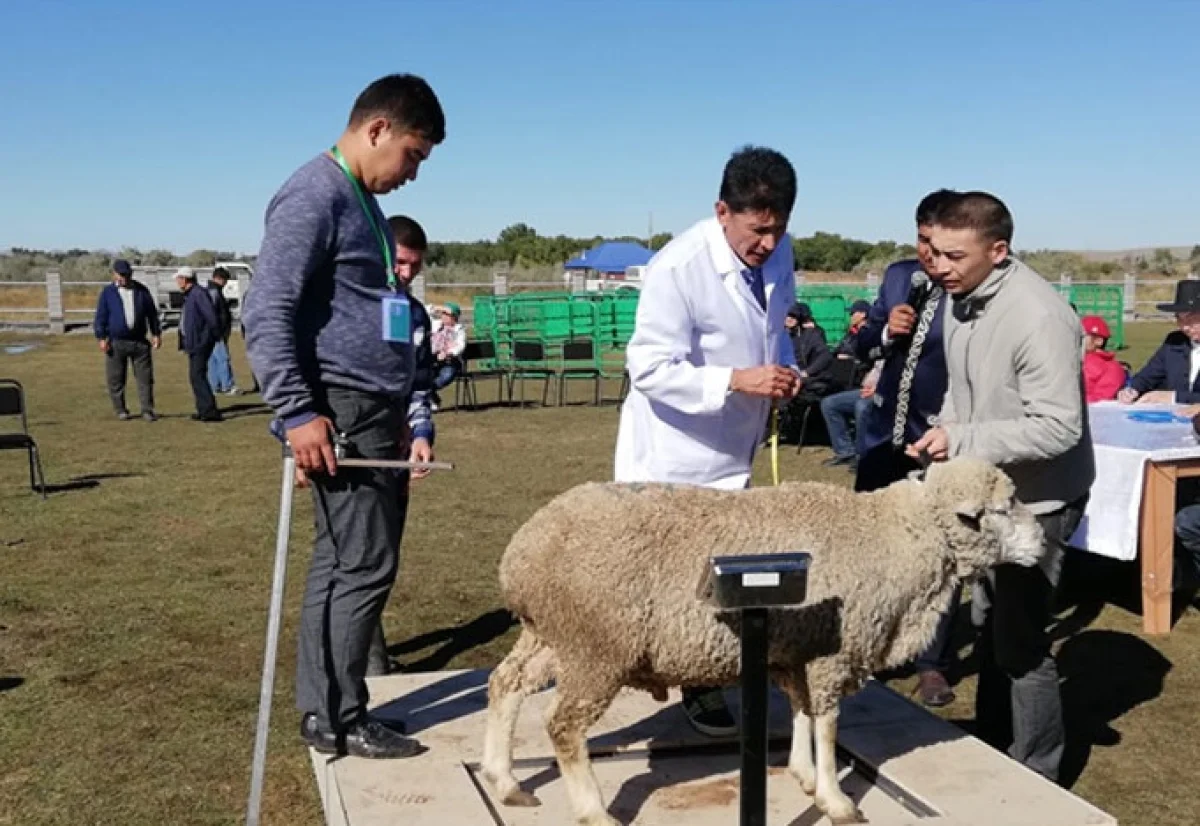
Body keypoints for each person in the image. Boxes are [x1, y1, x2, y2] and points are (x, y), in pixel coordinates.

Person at [243, 73, 445, 760]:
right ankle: (343, 714)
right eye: (413, 155)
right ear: (378, 130)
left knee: (340, 563)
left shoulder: (357, 202)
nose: (413, 174)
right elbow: (265, 310)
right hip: (346, 409)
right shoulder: (316, 193)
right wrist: (298, 413)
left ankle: (325, 710)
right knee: (364, 565)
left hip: (372, 408)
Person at [615, 145, 801, 737]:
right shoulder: (679, 266)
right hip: (675, 451)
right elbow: (647, 366)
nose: (768, 244)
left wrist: (785, 370)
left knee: (723, 575)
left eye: (778, 230)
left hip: (735, 446)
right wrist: (735, 380)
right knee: (674, 579)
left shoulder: (780, 254)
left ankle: (712, 671)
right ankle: (690, 685)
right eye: (757, 230)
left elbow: (777, 327)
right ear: (723, 211)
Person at [909, 192, 1094, 782]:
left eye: (955, 255)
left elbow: (1059, 425)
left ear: (999, 250)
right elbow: (962, 390)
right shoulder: (959, 299)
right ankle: (993, 744)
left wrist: (962, 441)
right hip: (994, 493)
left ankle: (1038, 774)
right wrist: (946, 428)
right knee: (990, 624)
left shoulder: (1037, 316)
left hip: (1038, 500)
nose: (939, 265)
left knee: (1019, 641)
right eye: (934, 251)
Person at [853, 189, 959, 705]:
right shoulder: (899, 276)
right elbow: (862, 343)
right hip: (881, 437)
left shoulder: (969, 285)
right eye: (921, 240)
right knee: (871, 548)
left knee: (935, 554)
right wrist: (883, 329)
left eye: (938, 244)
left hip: (936, 436)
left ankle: (932, 661)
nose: (928, 254)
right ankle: (871, 646)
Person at [365, 214, 438, 678]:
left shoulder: (413, 315)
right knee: (363, 558)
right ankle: (364, 665)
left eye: (416, 266)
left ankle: (369, 654)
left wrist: (422, 435)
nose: (408, 273)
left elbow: (420, 383)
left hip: (397, 448)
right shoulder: (357, 308)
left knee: (385, 555)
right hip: (356, 447)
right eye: (402, 263)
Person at [93, 259, 161, 421]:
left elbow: (152, 314)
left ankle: (147, 410)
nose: (123, 278)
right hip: (116, 342)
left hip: (139, 342)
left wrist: (156, 333)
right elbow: (101, 317)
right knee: (116, 378)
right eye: (120, 275)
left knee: (145, 378)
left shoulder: (141, 291)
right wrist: (101, 337)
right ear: (114, 274)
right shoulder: (108, 293)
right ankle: (121, 409)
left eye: (126, 275)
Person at [1118, 280, 1200, 405]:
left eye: (1192, 320)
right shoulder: (1174, 342)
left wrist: (1174, 397)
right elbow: (1148, 376)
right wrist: (1133, 389)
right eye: (1180, 319)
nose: (1185, 327)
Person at [817, 299, 874, 467]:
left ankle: (863, 455)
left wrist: (851, 359)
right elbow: (837, 350)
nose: (850, 316)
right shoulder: (851, 333)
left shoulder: (870, 334)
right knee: (828, 403)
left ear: (863, 314)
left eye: (853, 313)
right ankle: (845, 451)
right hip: (854, 380)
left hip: (866, 384)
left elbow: (867, 357)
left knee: (862, 407)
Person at [175, 267, 223, 422]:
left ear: (185, 279)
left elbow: (210, 316)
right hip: (194, 341)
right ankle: (203, 409)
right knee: (196, 376)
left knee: (197, 375)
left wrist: (210, 337)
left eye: (179, 278)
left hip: (200, 342)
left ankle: (210, 411)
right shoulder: (190, 295)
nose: (177, 281)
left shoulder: (198, 294)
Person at [205, 267, 240, 395]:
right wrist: (218, 330)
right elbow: (213, 313)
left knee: (213, 359)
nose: (226, 284)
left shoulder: (211, 291)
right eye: (225, 280)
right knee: (223, 358)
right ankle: (228, 385)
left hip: (211, 332)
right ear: (220, 279)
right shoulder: (215, 292)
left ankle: (215, 386)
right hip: (217, 332)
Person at [1080, 315, 1125, 403]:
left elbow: (1101, 399)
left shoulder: (1112, 368)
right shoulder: (1073, 359)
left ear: (1098, 341)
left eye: (1083, 336)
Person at [430, 302, 467, 390]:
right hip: (432, 359)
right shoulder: (436, 325)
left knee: (447, 375)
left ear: (454, 317)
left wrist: (447, 353)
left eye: (447, 314)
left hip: (450, 362)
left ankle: (430, 392)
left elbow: (460, 346)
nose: (444, 316)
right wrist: (438, 308)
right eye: (443, 313)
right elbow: (425, 310)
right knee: (421, 375)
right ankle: (429, 395)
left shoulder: (459, 330)